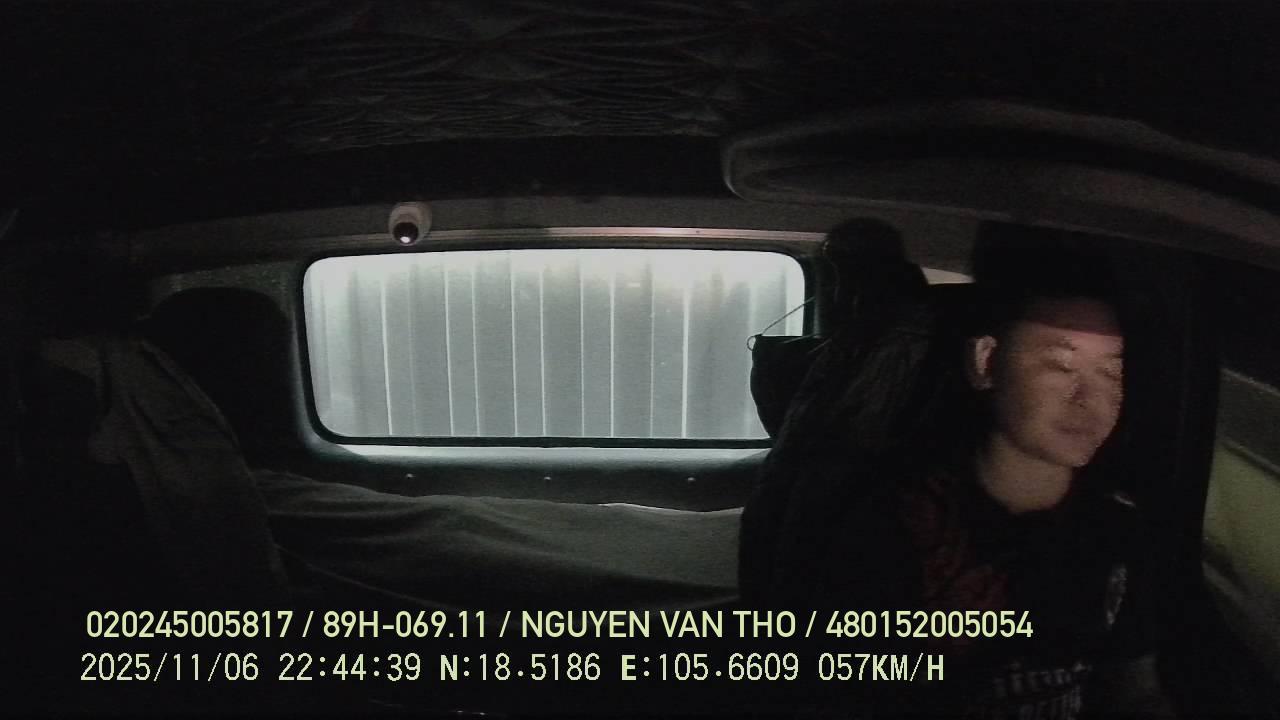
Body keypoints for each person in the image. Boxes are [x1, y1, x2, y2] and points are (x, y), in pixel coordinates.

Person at [743, 239, 1175, 718]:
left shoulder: (1118, 528)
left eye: (1112, 373)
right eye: (1060, 365)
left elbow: (1134, 690)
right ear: (986, 362)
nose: (1087, 399)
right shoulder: (892, 524)